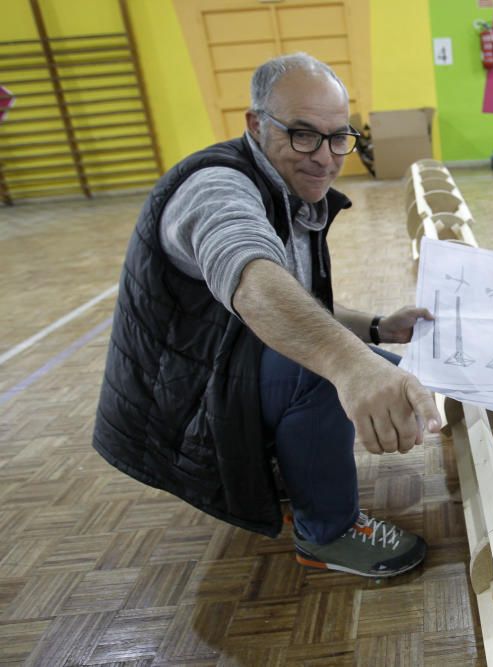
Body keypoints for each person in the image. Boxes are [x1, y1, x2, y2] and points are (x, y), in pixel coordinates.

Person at [92, 53, 441, 578]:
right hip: (178, 406)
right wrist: (348, 366)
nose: (324, 157)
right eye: (303, 134)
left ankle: (277, 462)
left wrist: (374, 328)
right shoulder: (216, 188)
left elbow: (299, 308)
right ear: (256, 125)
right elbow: (253, 280)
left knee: (381, 367)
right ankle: (327, 533)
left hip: (214, 370)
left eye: (338, 137)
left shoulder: (288, 188)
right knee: (328, 372)